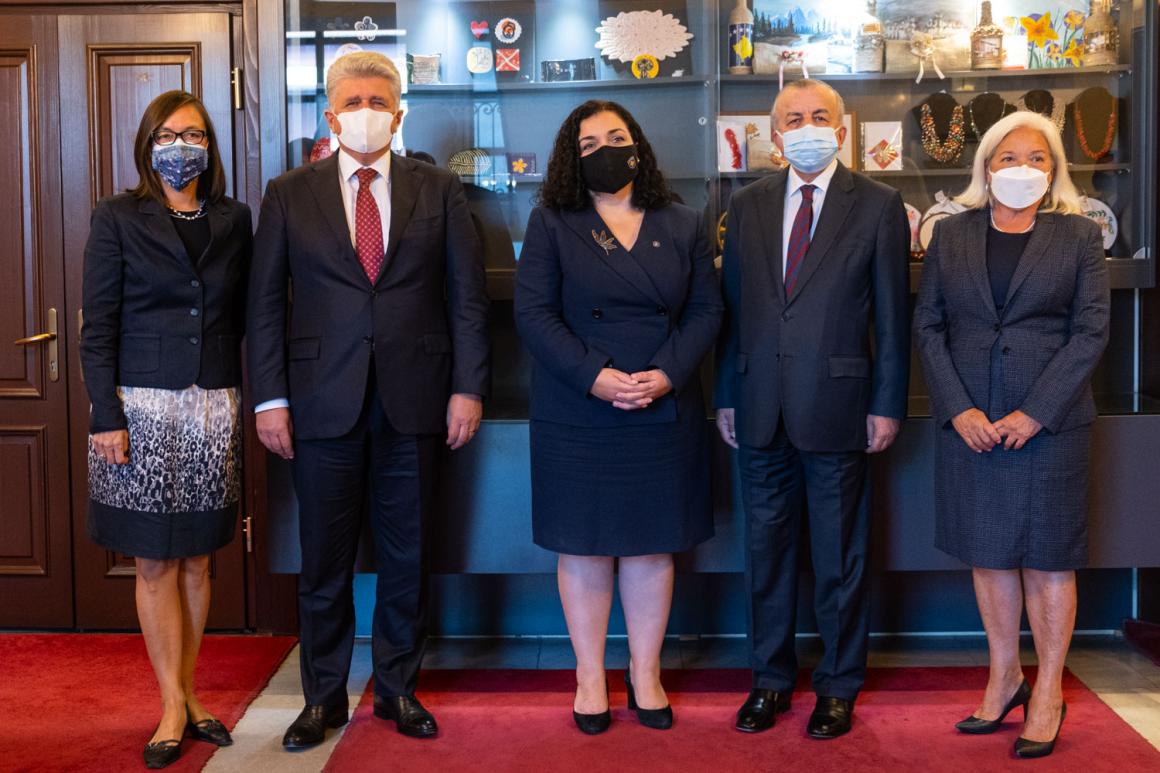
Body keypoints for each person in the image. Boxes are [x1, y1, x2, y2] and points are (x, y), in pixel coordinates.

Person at [247, 51, 489, 746]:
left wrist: (467, 386)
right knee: (324, 561)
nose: (365, 112)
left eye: (378, 101)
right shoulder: (289, 193)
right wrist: (269, 399)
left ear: (398, 113)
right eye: (352, 102)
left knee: (407, 556)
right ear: (330, 116)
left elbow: (467, 298)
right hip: (320, 402)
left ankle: (397, 689)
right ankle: (321, 697)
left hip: (417, 401)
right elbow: (265, 305)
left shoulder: (438, 188)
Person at [514, 100, 722, 734]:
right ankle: (588, 677)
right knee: (583, 548)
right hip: (577, 406)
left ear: (638, 146)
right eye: (588, 143)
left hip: (663, 402)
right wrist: (595, 376)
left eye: (616, 136)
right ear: (571, 158)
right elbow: (533, 314)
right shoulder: (553, 222)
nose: (604, 150)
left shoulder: (683, 221)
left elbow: (707, 310)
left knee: (651, 547)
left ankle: (645, 671)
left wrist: (668, 372)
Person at [715, 79, 910, 739]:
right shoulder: (747, 204)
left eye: (819, 116)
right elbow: (734, 310)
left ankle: (837, 684)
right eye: (793, 119)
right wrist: (726, 393)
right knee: (765, 555)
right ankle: (769, 680)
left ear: (842, 128)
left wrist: (887, 403)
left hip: (840, 406)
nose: (807, 127)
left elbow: (892, 316)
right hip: (759, 406)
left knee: (838, 558)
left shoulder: (878, 204)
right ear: (775, 136)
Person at [913, 111, 1110, 759]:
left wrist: (1035, 412)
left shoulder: (1078, 235)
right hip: (972, 423)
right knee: (989, 553)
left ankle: (1048, 690)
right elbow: (929, 326)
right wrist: (958, 409)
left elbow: (1090, 332)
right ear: (986, 166)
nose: (1022, 168)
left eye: (1037, 157)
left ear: (1054, 169)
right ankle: (1004, 677)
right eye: (1008, 157)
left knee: (1049, 558)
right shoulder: (950, 234)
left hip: (1050, 425)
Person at [81, 90, 251, 769]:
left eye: (196, 135)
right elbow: (99, 325)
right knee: (153, 560)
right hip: (139, 410)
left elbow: (247, 311)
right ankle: (172, 705)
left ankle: (189, 691)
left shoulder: (235, 219)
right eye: (170, 134)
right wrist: (105, 414)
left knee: (199, 559)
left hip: (212, 407)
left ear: (211, 146)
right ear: (149, 144)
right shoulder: (116, 217)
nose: (183, 146)